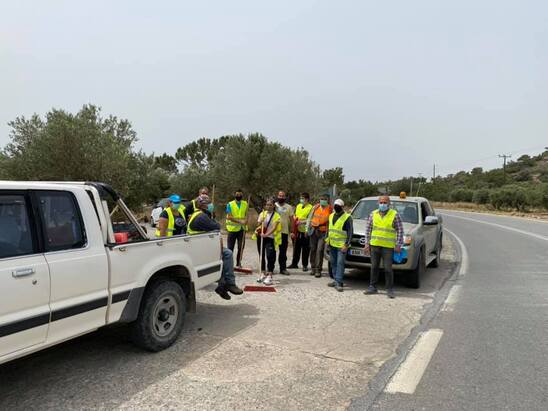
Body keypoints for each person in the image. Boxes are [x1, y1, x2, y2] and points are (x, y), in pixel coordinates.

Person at [187, 195, 244, 300]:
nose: (211, 205)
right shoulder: (201, 217)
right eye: (208, 203)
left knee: (222, 259)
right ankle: (229, 283)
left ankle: (223, 286)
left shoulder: (199, 214)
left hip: (202, 245)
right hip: (201, 247)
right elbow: (217, 226)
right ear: (203, 205)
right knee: (227, 254)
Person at [363, 195, 404, 299]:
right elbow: (368, 230)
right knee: (374, 267)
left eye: (385, 202)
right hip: (375, 245)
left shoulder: (394, 215)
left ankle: (389, 289)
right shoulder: (373, 214)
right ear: (378, 203)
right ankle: (372, 287)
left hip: (388, 247)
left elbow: (400, 230)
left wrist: (398, 244)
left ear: (389, 203)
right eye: (381, 202)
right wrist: (367, 244)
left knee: (388, 269)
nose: (383, 204)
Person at [253, 198, 281, 286]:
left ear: (273, 206)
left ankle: (270, 274)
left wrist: (266, 234)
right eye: (267, 205)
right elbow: (258, 225)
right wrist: (260, 222)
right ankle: (263, 273)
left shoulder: (277, 215)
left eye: (270, 205)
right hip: (260, 237)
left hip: (270, 237)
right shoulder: (262, 213)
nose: (268, 206)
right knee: (261, 255)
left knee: (270, 255)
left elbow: (274, 227)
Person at [326, 199, 353, 292]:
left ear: (342, 207)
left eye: (338, 206)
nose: (336, 207)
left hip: (342, 246)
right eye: (335, 205)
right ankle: (336, 280)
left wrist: (346, 244)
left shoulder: (347, 217)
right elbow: (329, 229)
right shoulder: (331, 216)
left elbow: (350, 232)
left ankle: (338, 282)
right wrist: (327, 241)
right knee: (333, 263)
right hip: (332, 244)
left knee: (340, 263)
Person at [307, 193, 332, 278]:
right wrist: (307, 229)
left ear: (327, 200)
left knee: (320, 250)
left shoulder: (330, 209)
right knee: (313, 249)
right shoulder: (315, 207)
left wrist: (329, 233)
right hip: (313, 231)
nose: (323, 200)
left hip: (323, 232)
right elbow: (310, 218)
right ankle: (313, 268)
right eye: (321, 199)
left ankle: (318, 270)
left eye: (324, 199)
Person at [288, 192, 313, 272]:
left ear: (307, 199)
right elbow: (295, 214)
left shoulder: (311, 208)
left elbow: (311, 219)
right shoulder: (298, 206)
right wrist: (295, 218)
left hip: (305, 231)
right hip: (297, 230)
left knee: (305, 249)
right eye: (301, 198)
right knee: (296, 248)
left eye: (303, 198)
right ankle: (294, 263)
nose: (301, 200)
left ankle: (305, 265)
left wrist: (302, 222)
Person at [225, 189, 248, 267]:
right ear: (234, 195)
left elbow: (246, 215)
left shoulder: (245, 203)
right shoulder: (230, 204)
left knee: (241, 247)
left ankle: (239, 263)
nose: (239, 196)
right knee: (230, 248)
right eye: (237, 195)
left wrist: (246, 220)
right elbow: (229, 216)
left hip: (242, 229)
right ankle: (229, 264)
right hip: (232, 229)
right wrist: (240, 221)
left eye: (240, 195)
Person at [275, 191, 294, 275]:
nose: (281, 197)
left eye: (283, 196)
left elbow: (292, 220)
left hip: (284, 232)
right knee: (271, 251)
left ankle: (283, 268)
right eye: (280, 195)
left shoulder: (289, 207)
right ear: (277, 196)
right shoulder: (273, 205)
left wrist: (292, 231)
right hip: (274, 232)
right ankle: (270, 269)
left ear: (285, 197)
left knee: (283, 252)